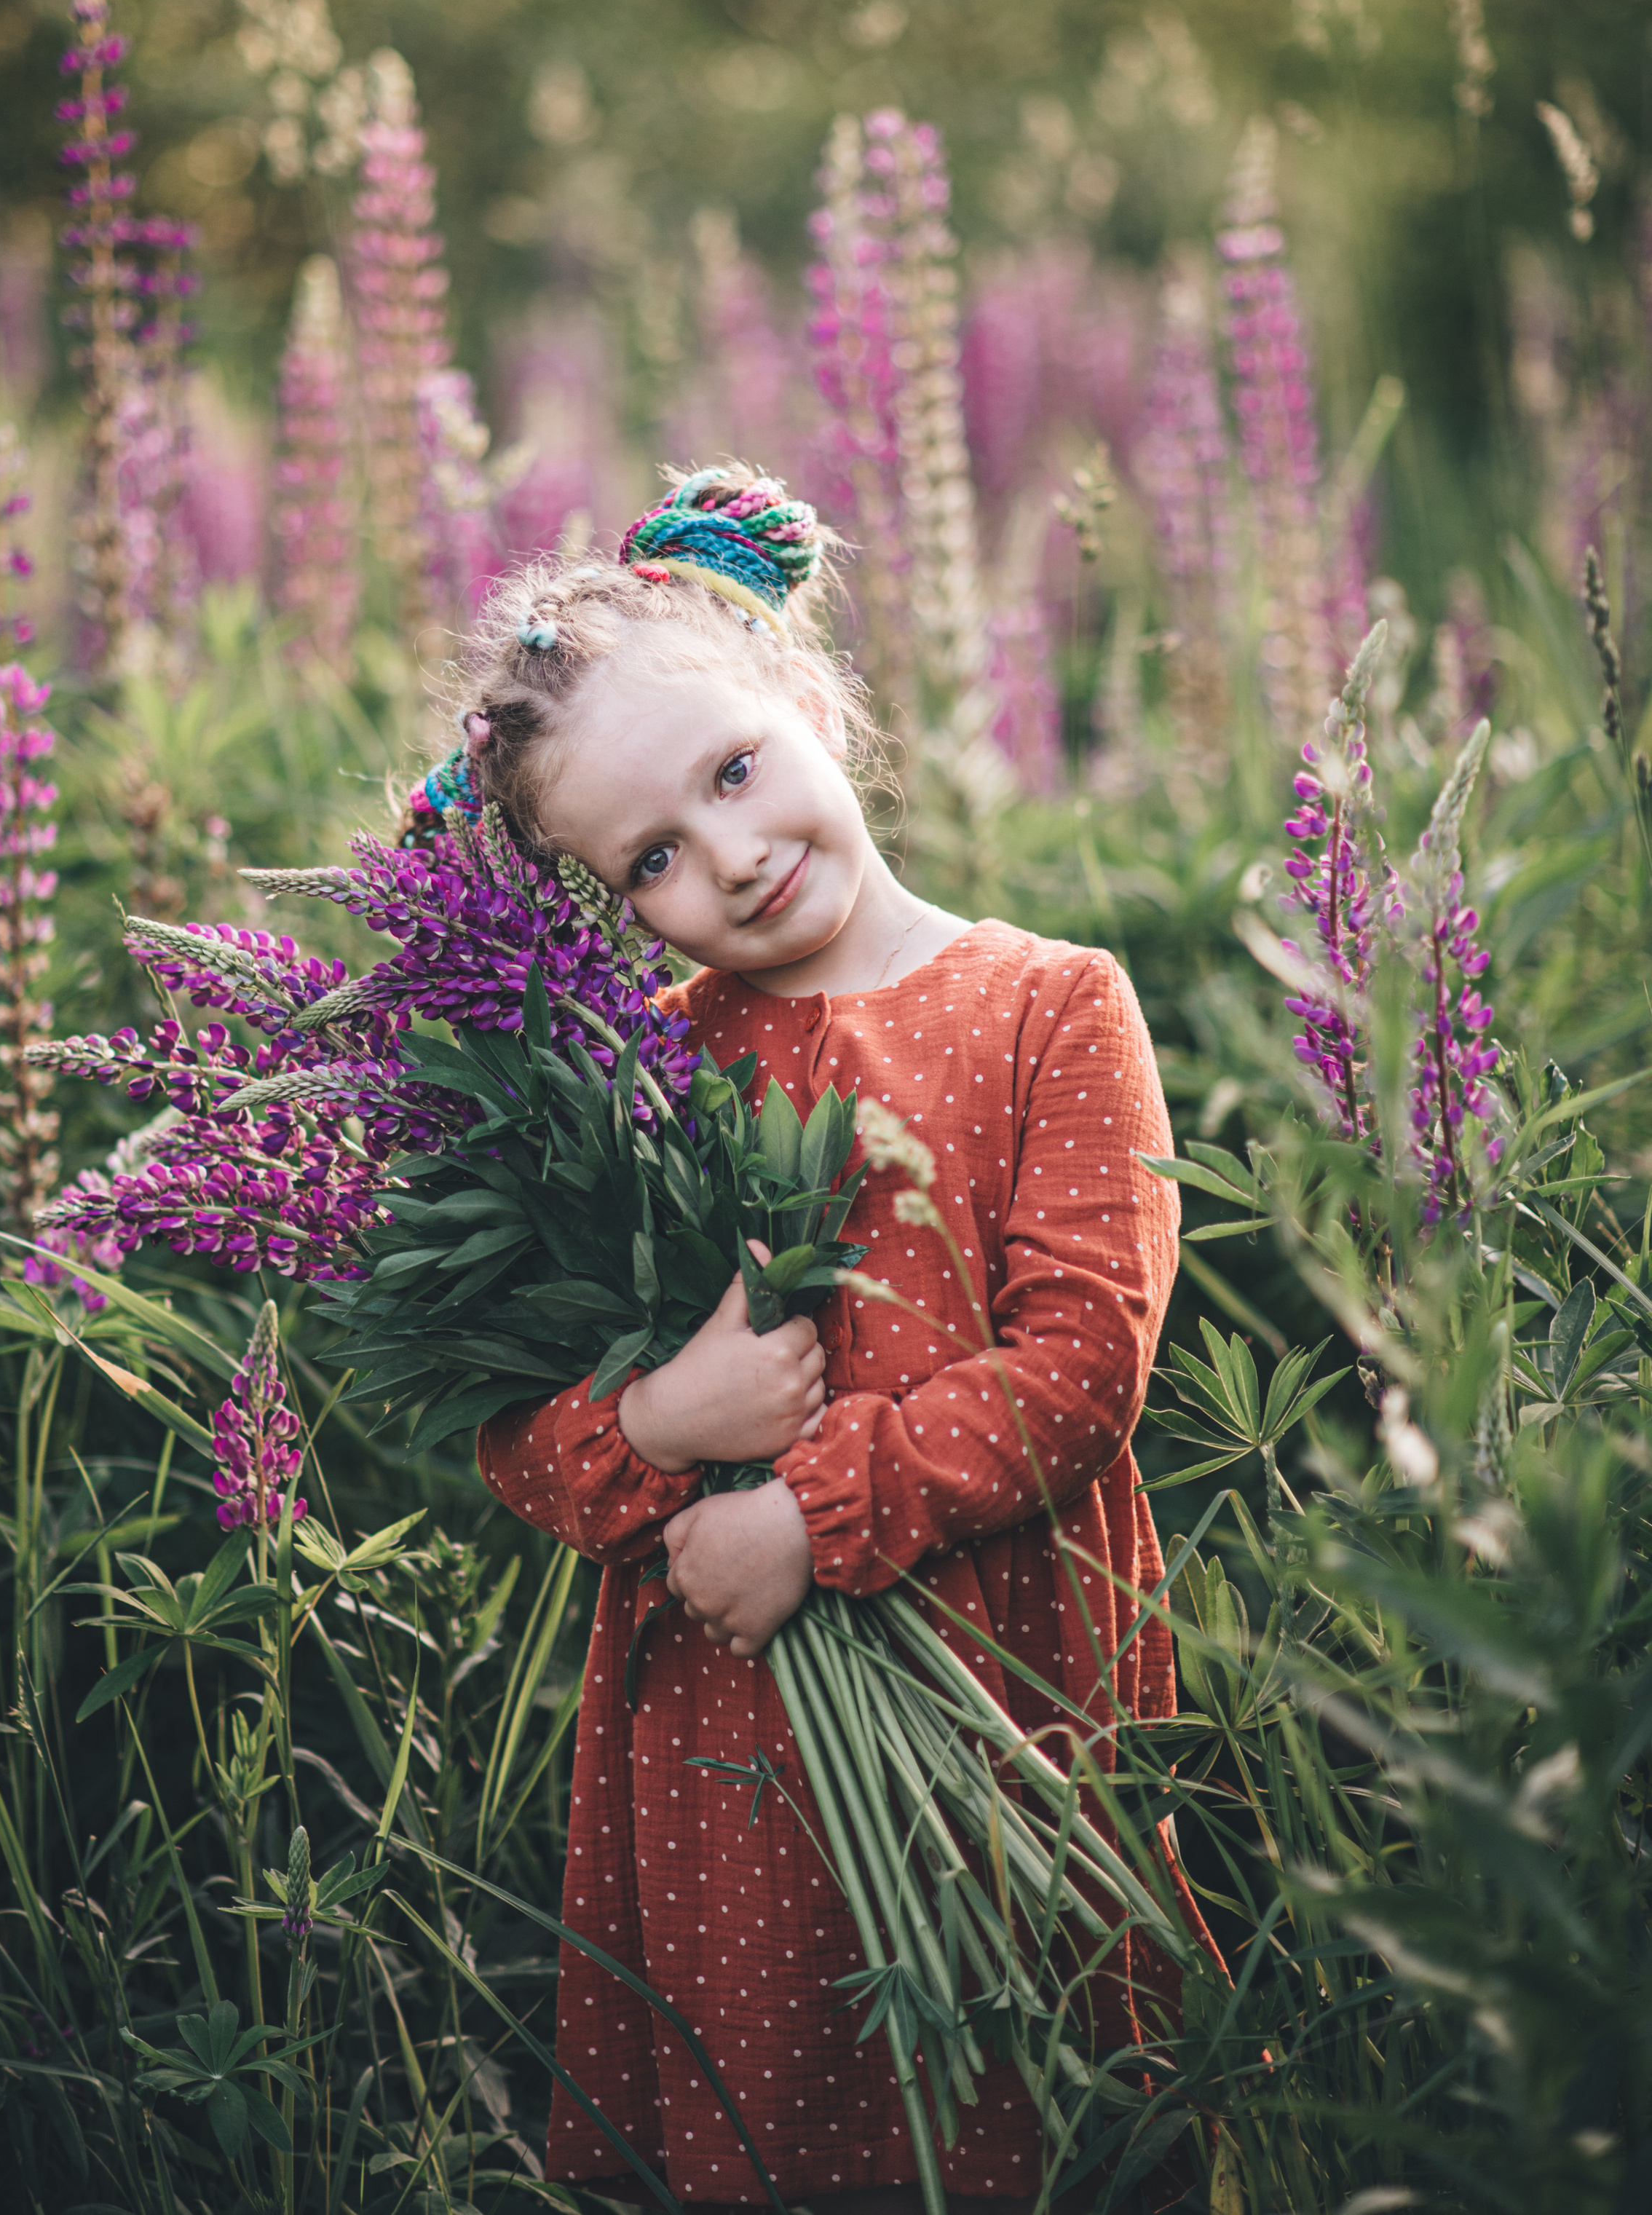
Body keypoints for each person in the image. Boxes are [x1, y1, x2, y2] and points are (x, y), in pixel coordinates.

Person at [437, 465, 1189, 2214]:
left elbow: (1084, 1365)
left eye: (731, 772)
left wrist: (810, 1514)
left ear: (803, 697)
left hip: (1008, 1691)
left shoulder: (1051, 1004)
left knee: (1037, 2092)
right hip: (731, 1745)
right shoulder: (625, 1077)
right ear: (606, 907)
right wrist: (664, 1425)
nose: (732, 857)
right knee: (770, 2118)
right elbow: (507, 1432)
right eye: (652, 861)